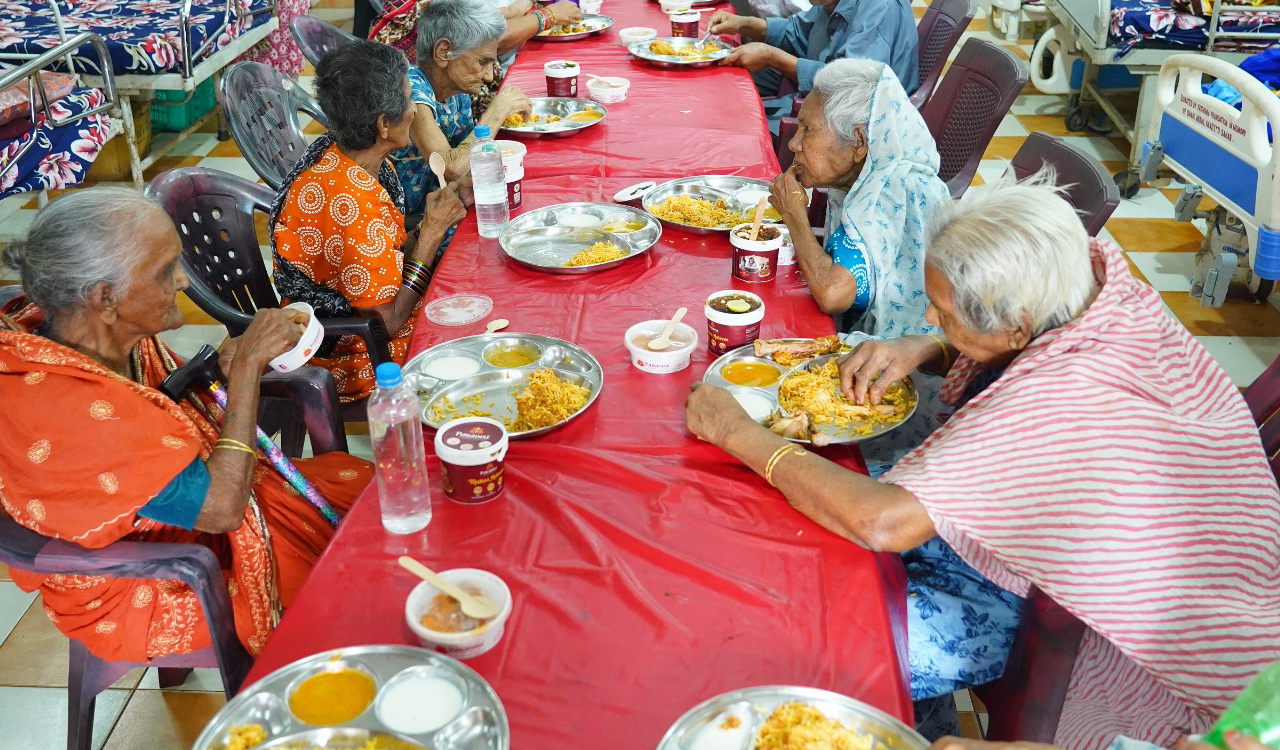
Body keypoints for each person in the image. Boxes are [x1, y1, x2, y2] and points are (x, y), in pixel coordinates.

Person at [685, 178, 1280, 750]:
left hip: (1104, 637)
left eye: (944, 317)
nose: (931, 323)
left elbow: (883, 522)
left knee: (801, 643)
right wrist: (933, 345)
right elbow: (1007, 350)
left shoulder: (1063, 394)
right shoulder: (1097, 280)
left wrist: (737, 432)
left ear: (1016, 327)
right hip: (1160, 560)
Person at [0, 188, 372, 662]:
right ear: (106, 299)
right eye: (165, 271)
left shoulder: (93, 334)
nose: (182, 281)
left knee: (374, 498)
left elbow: (165, 403)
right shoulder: (71, 409)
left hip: (190, 517)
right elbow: (221, 510)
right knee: (347, 598)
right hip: (141, 581)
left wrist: (221, 366)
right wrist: (247, 371)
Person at [769, 58, 950, 468]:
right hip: (869, 353)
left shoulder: (893, 188)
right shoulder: (860, 178)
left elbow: (834, 293)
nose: (795, 144)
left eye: (808, 130)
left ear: (859, 141)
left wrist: (795, 215)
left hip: (909, 384)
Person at [272, 41, 466, 404]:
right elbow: (386, 323)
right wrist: (432, 233)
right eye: (409, 101)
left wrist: (427, 225)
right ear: (382, 124)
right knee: (469, 326)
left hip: (363, 314)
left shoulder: (352, 157)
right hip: (349, 352)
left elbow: (383, 252)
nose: (414, 110)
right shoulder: (351, 202)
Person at [390, 0, 534, 217]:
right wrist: (497, 112)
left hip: (454, 199)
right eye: (482, 63)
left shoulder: (456, 87)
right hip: (416, 219)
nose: (489, 76)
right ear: (444, 52)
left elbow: (466, 161)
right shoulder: (412, 92)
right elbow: (451, 168)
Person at [708, 0, 918, 131]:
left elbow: (850, 85)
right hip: (817, 105)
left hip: (851, 127)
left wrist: (772, 57)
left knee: (737, 131)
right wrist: (742, 23)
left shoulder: (880, 7)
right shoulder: (831, 3)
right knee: (726, 107)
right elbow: (798, 31)